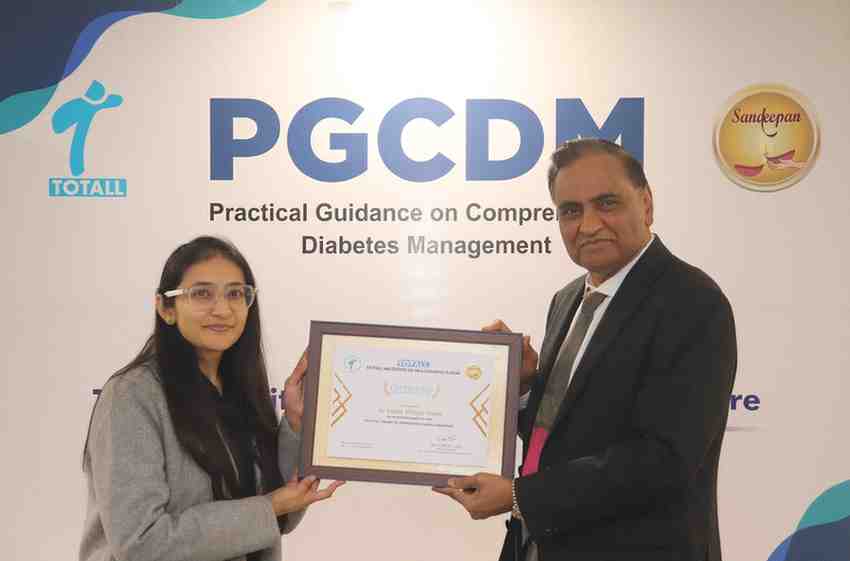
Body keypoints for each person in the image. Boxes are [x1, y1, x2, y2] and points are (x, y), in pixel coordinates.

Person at [434, 139, 737, 561]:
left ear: (646, 204)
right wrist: (525, 388)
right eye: (571, 211)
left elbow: (664, 460)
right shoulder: (567, 300)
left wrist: (521, 496)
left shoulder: (691, 301)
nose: (589, 224)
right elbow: (559, 439)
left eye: (607, 203)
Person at [79, 236, 343, 561]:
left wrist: (295, 423)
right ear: (166, 308)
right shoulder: (132, 395)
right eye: (202, 293)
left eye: (235, 294)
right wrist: (269, 507)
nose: (222, 309)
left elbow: (279, 519)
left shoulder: (239, 390)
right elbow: (140, 543)